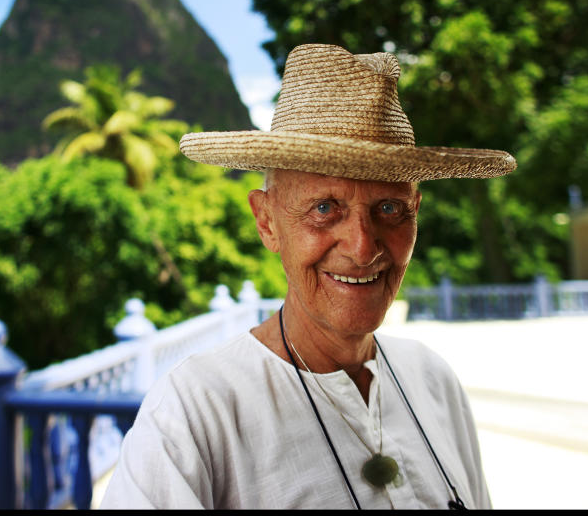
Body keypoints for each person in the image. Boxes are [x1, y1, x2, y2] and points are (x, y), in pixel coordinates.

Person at [100, 43, 516, 509]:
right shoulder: (196, 412)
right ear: (267, 222)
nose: (363, 248)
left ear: (416, 214)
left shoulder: (433, 380)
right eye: (324, 208)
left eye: (390, 209)